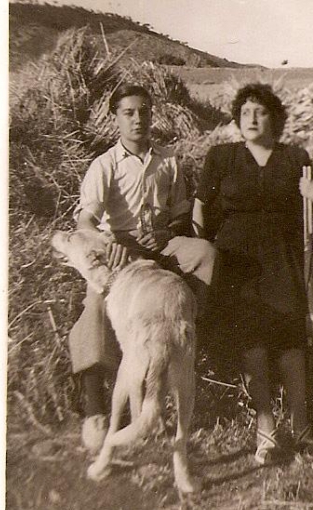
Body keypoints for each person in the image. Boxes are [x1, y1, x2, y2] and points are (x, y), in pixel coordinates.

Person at [69, 83, 216, 452]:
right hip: (122, 248)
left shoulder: (168, 160)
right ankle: (94, 407)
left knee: (205, 254)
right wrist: (110, 245)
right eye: (129, 112)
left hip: (162, 242)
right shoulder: (105, 165)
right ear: (116, 118)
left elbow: (181, 215)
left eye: (144, 111)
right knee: (96, 303)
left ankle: (181, 340)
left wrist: (184, 240)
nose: (138, 119)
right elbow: (85, 222)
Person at [192, 83, 313, 464]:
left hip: (282, 257)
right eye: (246, 111)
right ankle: (265, 431)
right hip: (237, 259)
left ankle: (302, 429)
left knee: (290, 344)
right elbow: (201, 206)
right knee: (252, 346)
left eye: (261, 111)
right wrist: (204, 249)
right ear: (236, 118)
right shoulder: (222, 157)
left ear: (275, 118)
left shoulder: (295, 157)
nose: (252, 118)